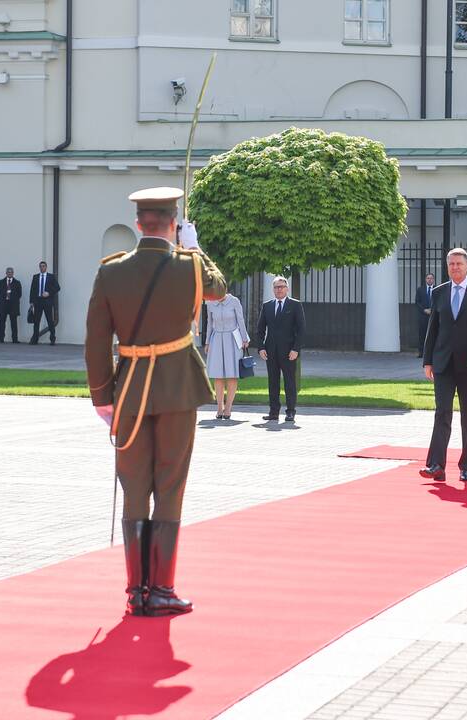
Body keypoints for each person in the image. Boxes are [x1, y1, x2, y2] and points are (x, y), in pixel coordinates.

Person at [84, 186, 226, 617]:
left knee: (134, 489)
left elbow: (95, 342)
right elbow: (217, 290)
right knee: (169, 487)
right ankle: (160, 589)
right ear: (173, 224)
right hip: (177, 389)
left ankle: (135, 592)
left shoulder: (110, 271)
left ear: (137, 225)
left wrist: (101, 397)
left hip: (127, 392)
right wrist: (195, 245)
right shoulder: (189, 266)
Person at [420, 248, 467, 483]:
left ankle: (466, 466)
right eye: (451, 264)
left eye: (459, 263)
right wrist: (428, 360)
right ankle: (436, 465)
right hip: (443, 363)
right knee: (442, 413)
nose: (455, 267)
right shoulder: (440, 292)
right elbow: (433, 328)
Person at [255, 276, 305, 423]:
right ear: (273, 289)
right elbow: (260, 329)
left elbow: (301, 330)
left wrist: (296, 349)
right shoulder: (267, 305)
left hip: (289, 352)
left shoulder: (295, 305)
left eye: (282, 286)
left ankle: (290, 412)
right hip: (270, 352)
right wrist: (261, 347)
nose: (279, 289)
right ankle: (273, 412)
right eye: (276, 287)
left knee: (290, 383)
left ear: (287, 288)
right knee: (273, 382)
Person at [203, 292, 249, 420]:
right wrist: (207, 342)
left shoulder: (234, 301)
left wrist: (244, 339)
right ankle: (219, 407)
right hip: (216, 339)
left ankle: (228, 407)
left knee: (232, 374)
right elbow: (209, 324)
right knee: (218, 375)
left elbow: (241, 320)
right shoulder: (211, 303)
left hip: (233, 339)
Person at [29, 260, 61, 344]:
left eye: (43, 266)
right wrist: (31, 302)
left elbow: (57, 287)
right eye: (40, 266)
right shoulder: (35, 277)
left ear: (46, 267)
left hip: (47, 301)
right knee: (36, 321)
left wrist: (49, 293)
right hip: (38, 301)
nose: (42, 267)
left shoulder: (51, 276)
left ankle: (52, 339)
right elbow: (32, 289)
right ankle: (35, 339)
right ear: (39, 267)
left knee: (50, 320)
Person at [0, 267, 22, 343]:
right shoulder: (1, 282)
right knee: (2, 322)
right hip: (3, 304)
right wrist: (5, 296)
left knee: (14, 322)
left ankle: (15, 339)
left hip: (13, 305)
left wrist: (12, 298)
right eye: (8, 272)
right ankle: (1, 339)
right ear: (6, 273)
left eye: (11, 272)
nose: (10, 273)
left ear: (13, 273)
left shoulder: (17, 283)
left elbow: (19, 294)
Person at [415, 273, 436, 358]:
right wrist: (424, 310)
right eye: (428, 278)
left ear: (434, 279)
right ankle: (421, 352)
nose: (429, 280)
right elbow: (417, 302)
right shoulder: (420, 290)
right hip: (423, 316)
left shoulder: (437, 289)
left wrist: (433, 310)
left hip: (434, 315)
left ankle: (433, 353)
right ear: (425, 279)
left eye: (431, 278)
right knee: (422, 334)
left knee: (434, 334)